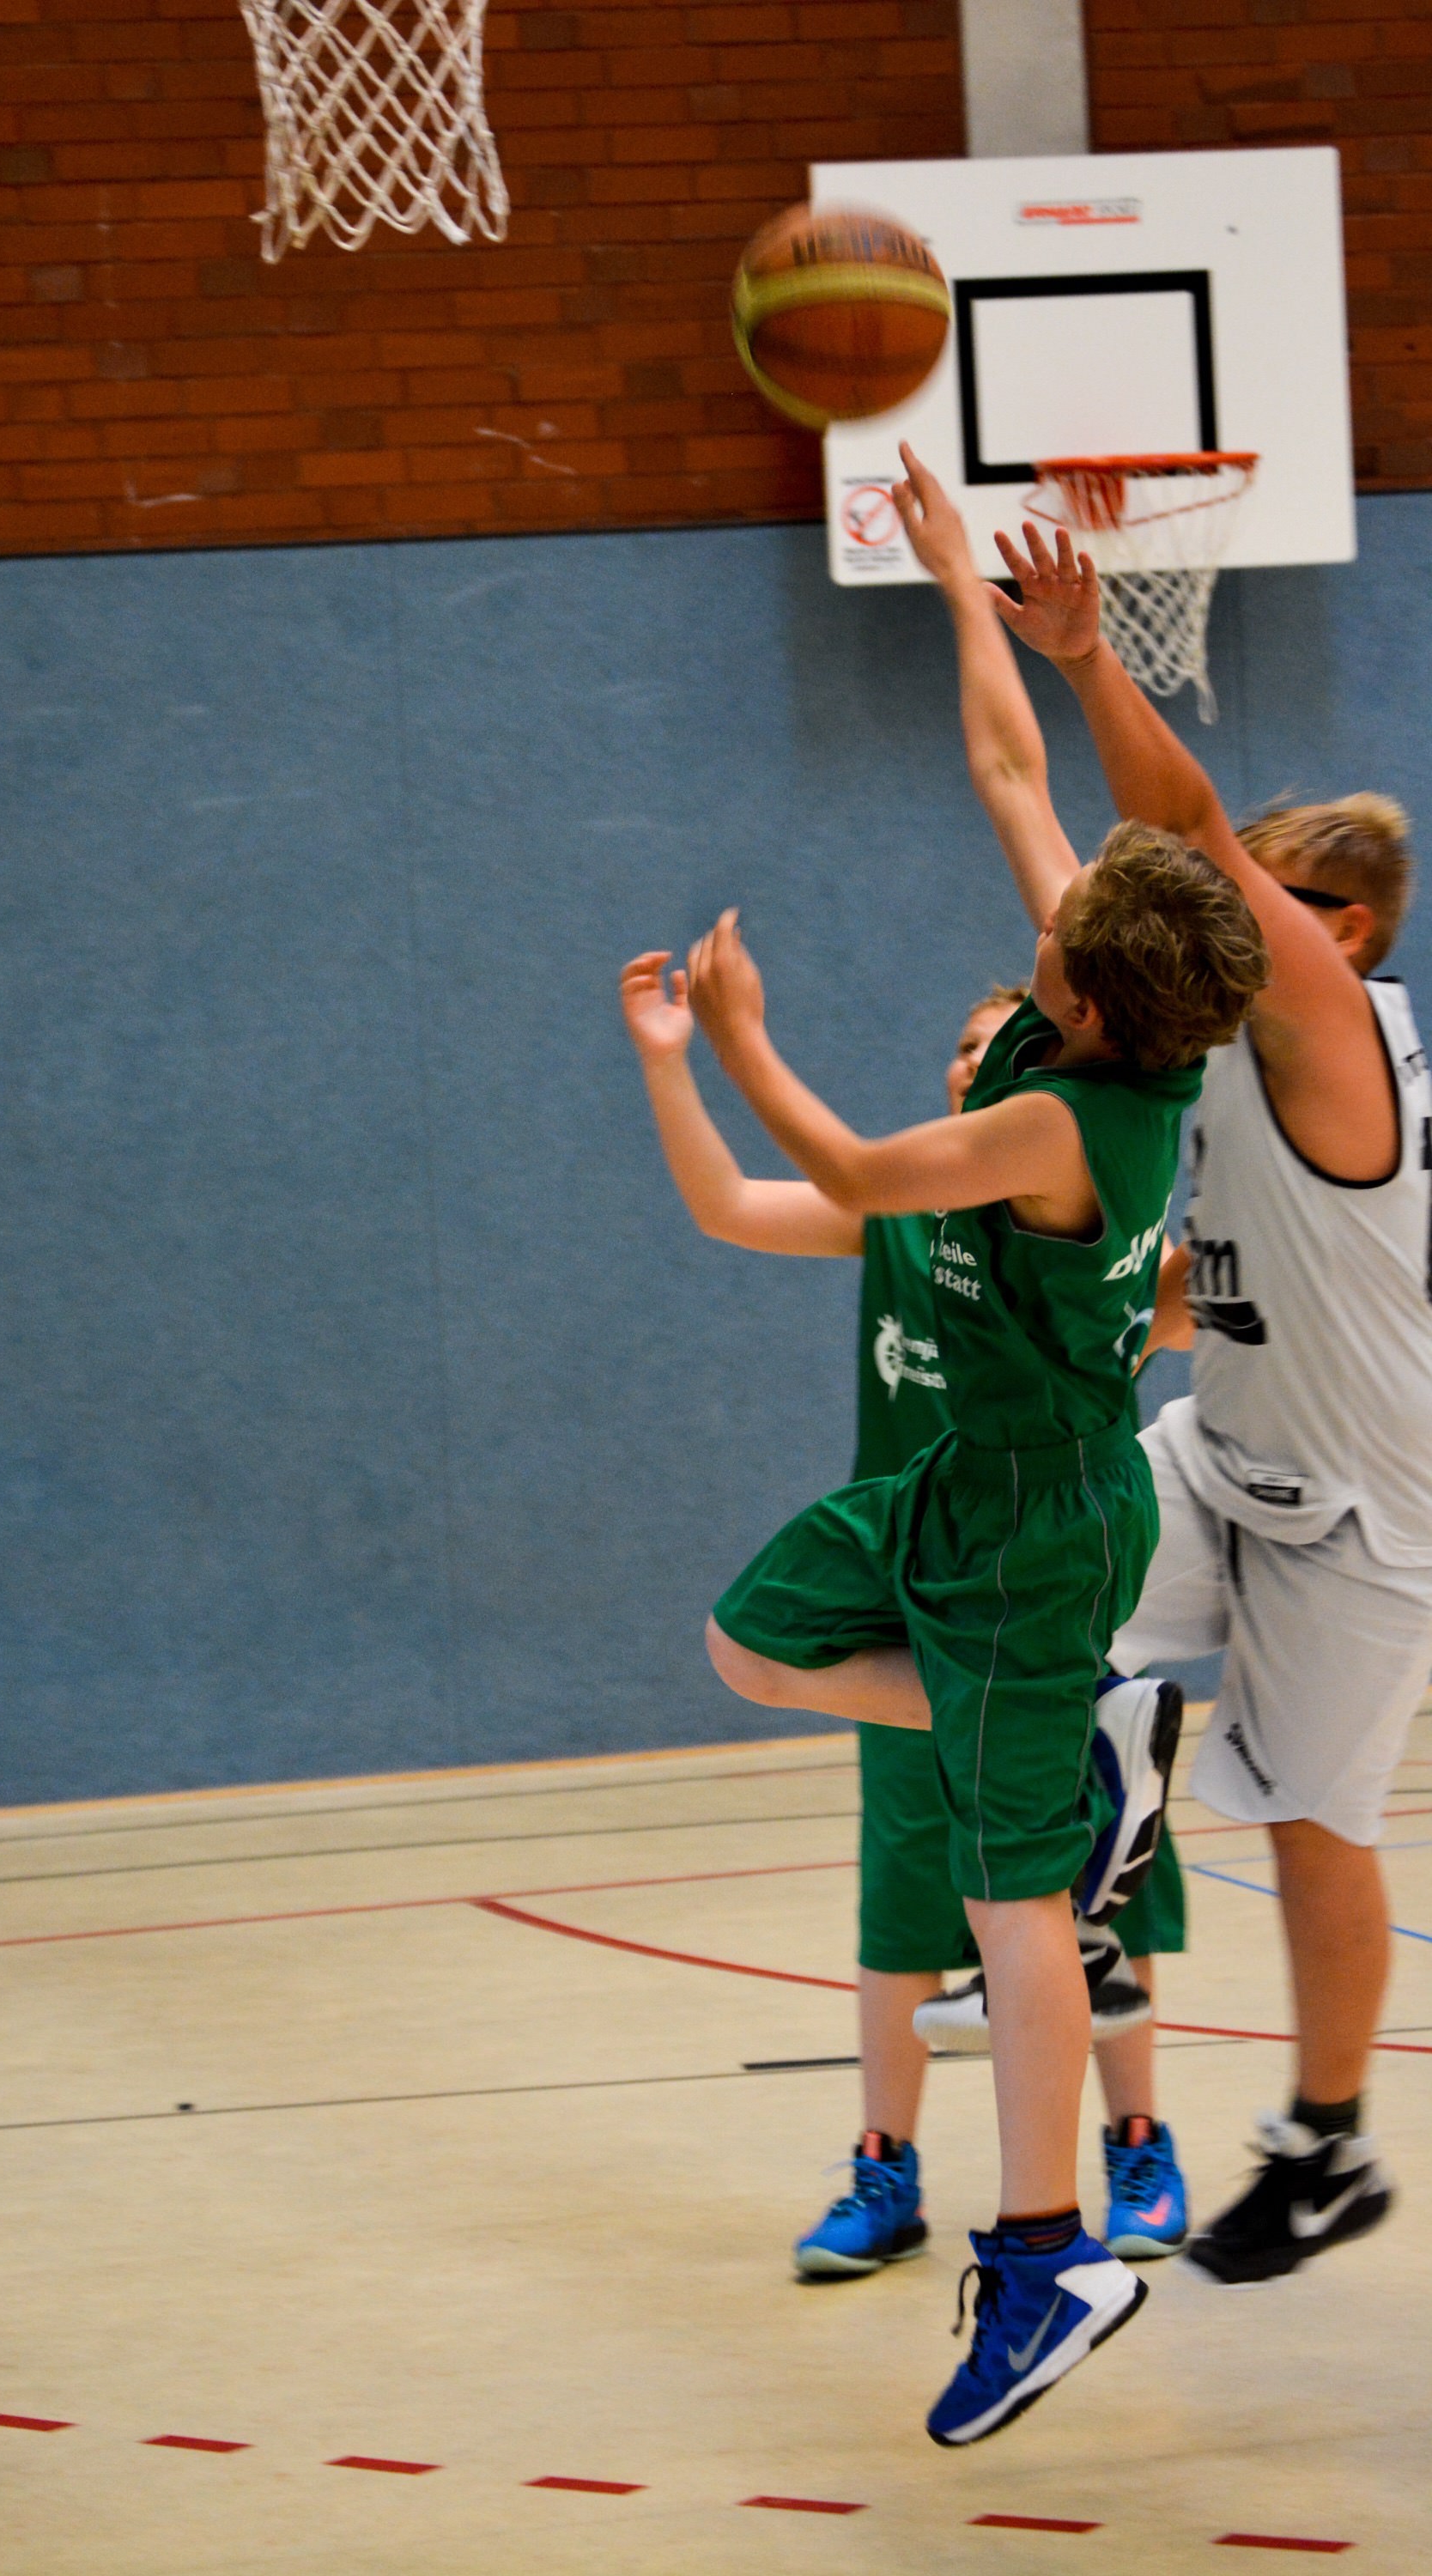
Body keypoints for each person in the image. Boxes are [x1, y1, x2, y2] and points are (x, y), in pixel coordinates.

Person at [625, 445, 1269, 2447]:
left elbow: (835, 1166)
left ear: (1082, 991)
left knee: (1015, 1919)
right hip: (949, 1494)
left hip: (1034, 1523)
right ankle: (1083, 1742)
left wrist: (735, 1030)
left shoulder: (1062, 1125)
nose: (1044, 904)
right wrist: (956, 583)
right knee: (750, 1641)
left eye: (1064, 921)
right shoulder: (1106, 1025)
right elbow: (1006, 769)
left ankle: (1048, 2246)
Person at [992, 515, 1431, 2284]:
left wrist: (1090, 656)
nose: (1226, 909)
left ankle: (1324, 2145)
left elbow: (1168, 830)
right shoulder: (1218, 1036)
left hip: (1364, 1509)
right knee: (1028, 1581)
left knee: (1321, 1828)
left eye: (1264, 889)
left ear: (1344, 929)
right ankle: (1079, 1880)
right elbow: (1052, 837)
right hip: (1226, 1448)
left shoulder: (1337, 1029)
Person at [618, 961, 1190, 2280]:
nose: (976, 1061)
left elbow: (1172, 1307)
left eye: (1002, 1042)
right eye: (964, 1045)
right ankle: (887, 2168)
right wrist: (667, 1056)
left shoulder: (1075, 1200)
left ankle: (1135, 2146)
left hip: (1034, 1572)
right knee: (905, 1893)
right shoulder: (905, 1219)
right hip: (908, 1601)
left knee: (1086, 1904)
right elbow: (727, 1204)